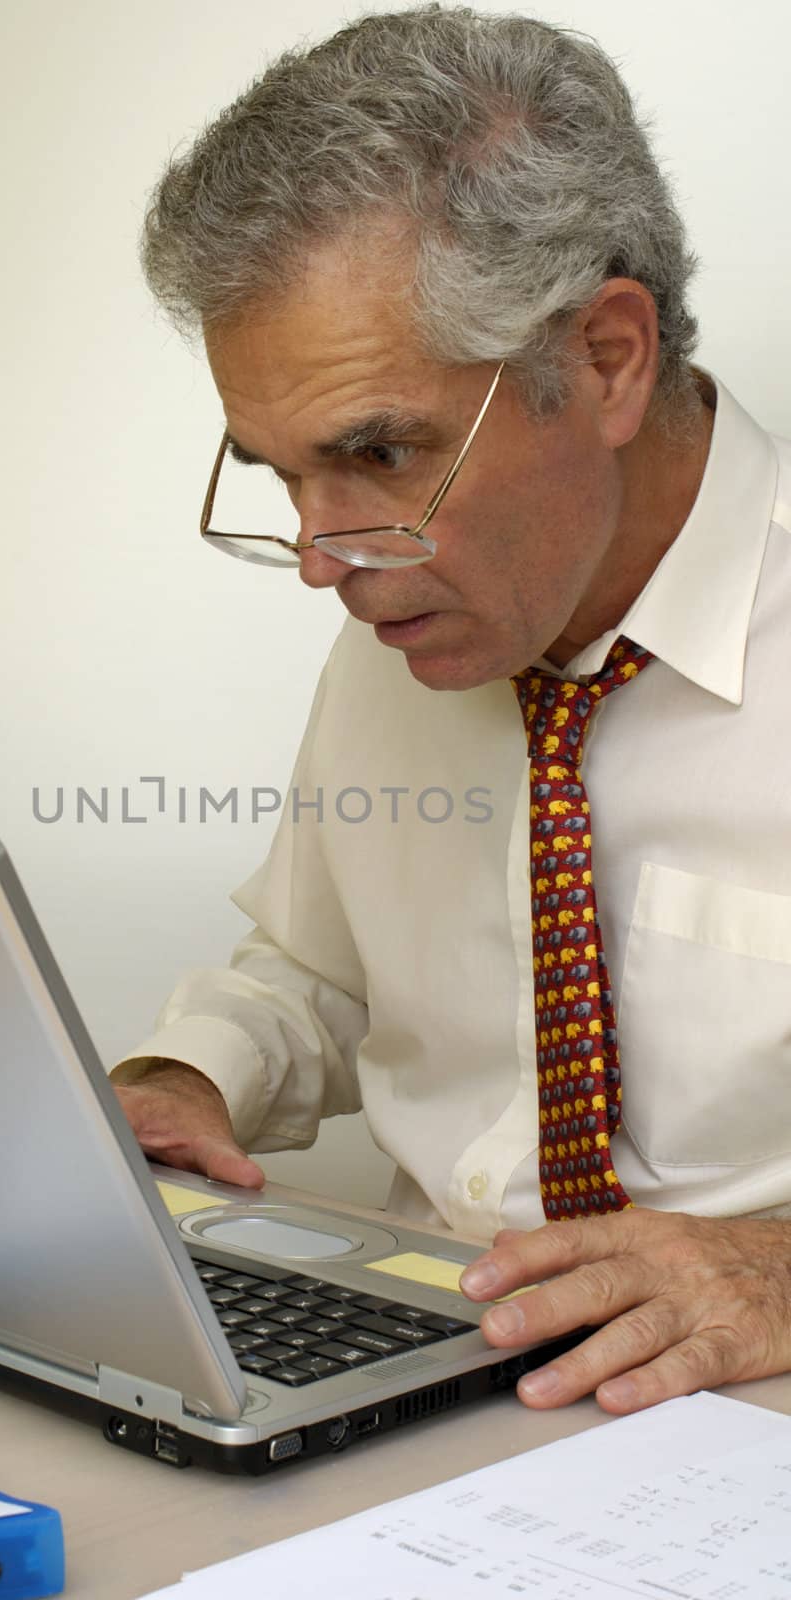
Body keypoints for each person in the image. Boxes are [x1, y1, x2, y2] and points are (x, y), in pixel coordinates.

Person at [112, 6, 791, 1415]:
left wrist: (778, 1272)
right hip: (418, 1394)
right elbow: (320, 969)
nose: (321, 558)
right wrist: (187, 1078)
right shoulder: (416, 614)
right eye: (281, 472)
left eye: (377, 452)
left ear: (607, 358)